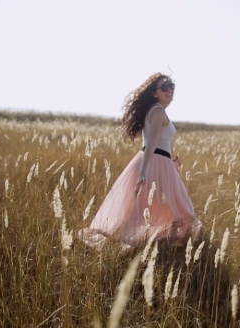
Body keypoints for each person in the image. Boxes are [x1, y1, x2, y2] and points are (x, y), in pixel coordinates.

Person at [77, 73, 202, 251]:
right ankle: (161, 248)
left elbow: (163, 140)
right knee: (181, 210)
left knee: (154, 209)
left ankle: (158, 248)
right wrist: (143, 172)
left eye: (171, 86)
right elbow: (151, 143)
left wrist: (174, 157)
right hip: (155, 163)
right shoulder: (158, 111)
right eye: (164, 87)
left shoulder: (158, 110)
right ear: (154, 92)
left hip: (160, 160)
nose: (169, 90)